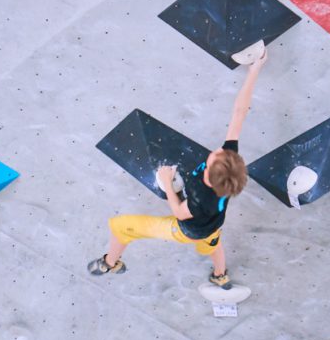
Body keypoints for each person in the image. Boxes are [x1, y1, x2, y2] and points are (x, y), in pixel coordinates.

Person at [88, 49, 267, 292]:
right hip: (213, 225)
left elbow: (180, 212)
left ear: (208, 176)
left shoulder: (202, 196)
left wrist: (167, 181)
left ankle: (110, 263)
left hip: (187, 229)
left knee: (121, 226)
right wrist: (254, 71)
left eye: (215, 156)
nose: (217, 149)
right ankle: (220, 275)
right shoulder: (227, 169)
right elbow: (239, 113)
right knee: (212, 244)